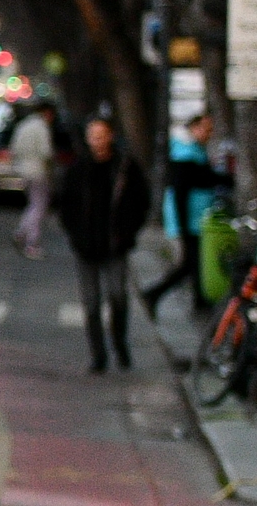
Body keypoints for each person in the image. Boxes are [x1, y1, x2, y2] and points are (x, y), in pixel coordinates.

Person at [55, 117, 152, 373]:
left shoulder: (125, 168)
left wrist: (128, 232)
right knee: (91, 303)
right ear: (87, 138)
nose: (98, 141)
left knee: (118, 296)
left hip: (115, 245)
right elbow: (65, 205)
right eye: (93, 135)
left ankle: (120, 342)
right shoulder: (78, 169)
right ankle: (98, 355)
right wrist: (74, 234)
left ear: (111, 136)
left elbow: (142, 201)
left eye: (102, 134)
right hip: (85, 246)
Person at [141, 112, 224, 316]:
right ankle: (154, 293)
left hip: (196, 218)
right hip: (190, 219)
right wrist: (183, 224)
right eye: (206, 129)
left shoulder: (194, 151)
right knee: (190, 262)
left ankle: (197, 300)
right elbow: (180, 192)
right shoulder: (185, 154)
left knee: (194, 262)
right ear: (194, 128)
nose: (209, 134)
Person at [9, 103, 57, 259]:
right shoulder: (41, 127)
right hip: (39, 171)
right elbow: (46, 152)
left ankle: (21, 234)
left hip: (23, 170)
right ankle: (31, 243)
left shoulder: (23, 125)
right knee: (39, 206)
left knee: (33, 204)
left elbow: (14, 148)